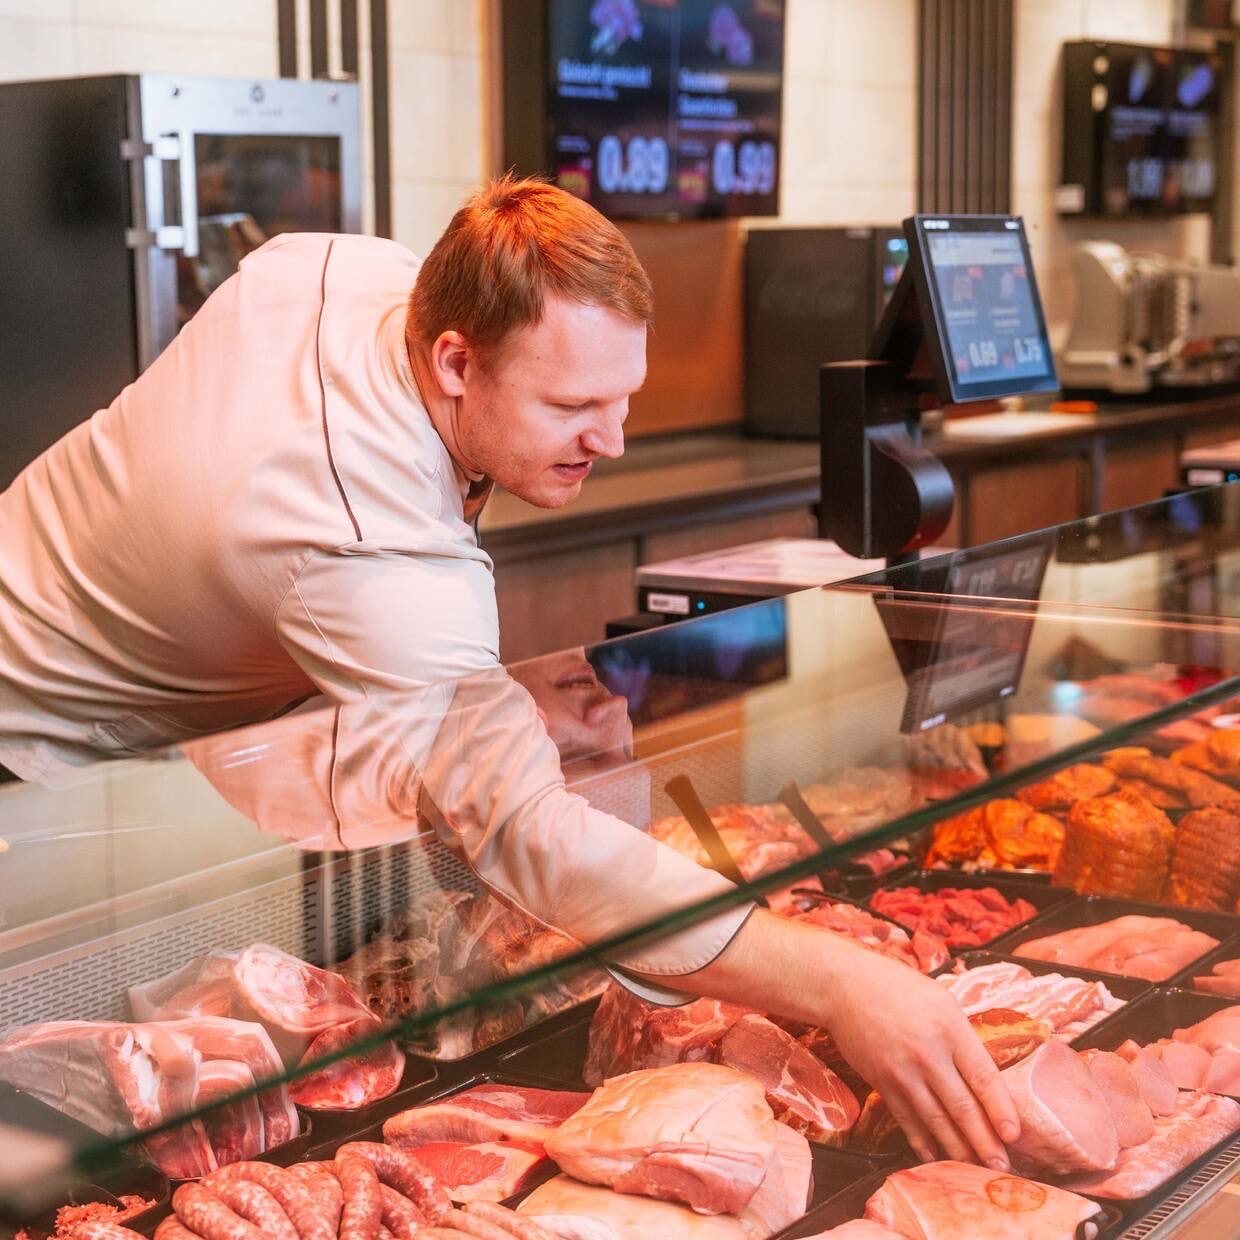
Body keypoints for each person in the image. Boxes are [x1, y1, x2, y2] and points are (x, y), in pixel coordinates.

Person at [0, 175, 1018, 1167]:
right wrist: (846, 986)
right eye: (574, 403)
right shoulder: (373, 548)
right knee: (66, 1122)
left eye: (623, 397)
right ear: (452, 360)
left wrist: (461, 700)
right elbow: (534, 841)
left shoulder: (343, 269)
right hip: (41, 766)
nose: (610, 440)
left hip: (73, 608)